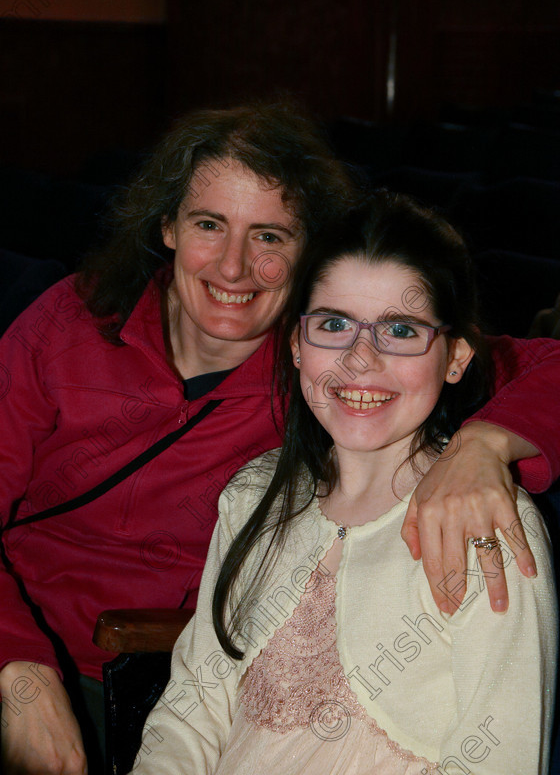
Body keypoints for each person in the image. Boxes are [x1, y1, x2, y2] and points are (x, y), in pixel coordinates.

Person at [0, 100, 558, 775]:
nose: (234, 268)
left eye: (270, 236)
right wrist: (19, 670)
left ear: (307, 252)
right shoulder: (69, 321)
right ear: (169, 226)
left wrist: (485, 444)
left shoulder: (335, 373)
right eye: (210, 225)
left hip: (135, 672)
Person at [133, 191, 557, 774]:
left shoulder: (482, 518)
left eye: (401, 331)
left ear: (456, 356)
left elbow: (498, 756)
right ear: (296, 346)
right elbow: (191, 712)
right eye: (334, 325)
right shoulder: (254, 493)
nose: (359, 360)